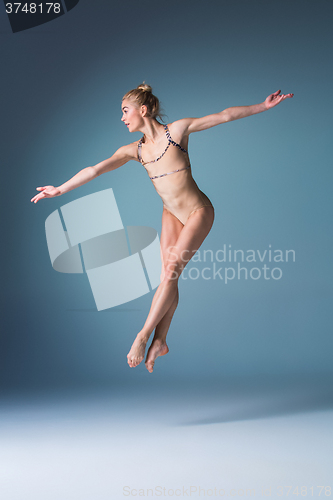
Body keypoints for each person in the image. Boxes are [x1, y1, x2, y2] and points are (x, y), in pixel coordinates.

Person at [31, 84, 293, 373]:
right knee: (168, 277)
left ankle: (143, 336)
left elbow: (224, 115)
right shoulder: (135, 150)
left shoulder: (177, 133)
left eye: (125, 111)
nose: (122, 118)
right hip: (171, 213)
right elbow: (95, 169)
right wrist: (60, 190)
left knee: (169, 274)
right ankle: (161, 341)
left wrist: (263, 106)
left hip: (198, 212)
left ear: (143, 110)